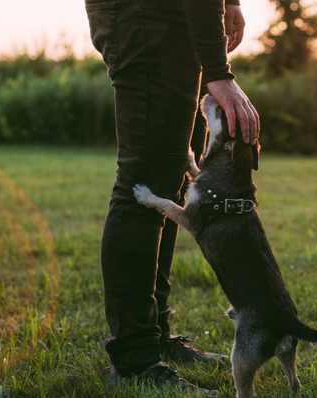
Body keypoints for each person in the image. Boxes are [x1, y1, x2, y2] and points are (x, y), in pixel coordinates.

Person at [85, 0, 260, 394]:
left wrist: (228, 3)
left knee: (169, 182)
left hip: (173, 15)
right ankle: (134, 360)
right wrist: (219, 72)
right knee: (143, 183)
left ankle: (156, 336)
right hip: (144, 14)